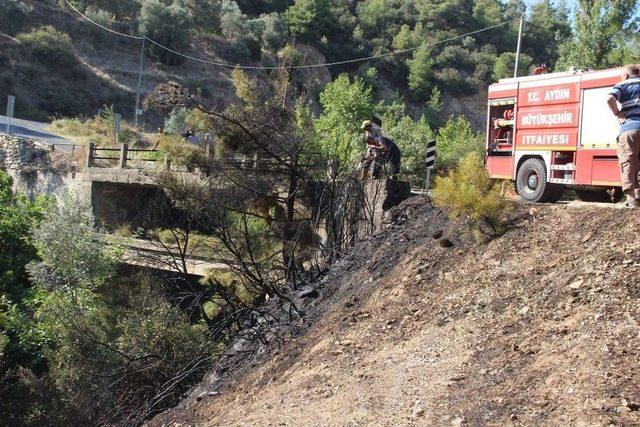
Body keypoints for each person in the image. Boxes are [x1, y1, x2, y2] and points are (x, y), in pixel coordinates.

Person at [607, 64, 640, 208]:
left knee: (628, 162)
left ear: (626, 75)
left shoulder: (622, 84)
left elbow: (609, 99)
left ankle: (632, 201)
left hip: (630, 128)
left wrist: (617, 113)